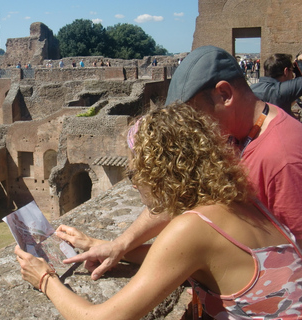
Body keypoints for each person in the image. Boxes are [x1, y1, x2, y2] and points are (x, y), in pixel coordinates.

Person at [16, 103, 302, 319]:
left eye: (134, 172)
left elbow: (102, 318)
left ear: (157, 171)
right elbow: (176, 259)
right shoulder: (240, 201)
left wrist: (45, 279)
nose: (134, 183)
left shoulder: (194, 227)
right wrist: (104, 246)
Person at [60, 45, 302, 281]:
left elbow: (294, 263)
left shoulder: (282, 158)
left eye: (193, 114)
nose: (188, 127)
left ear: (225, 95)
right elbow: (180, 197)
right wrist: (119, 245)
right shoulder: (232, 135)